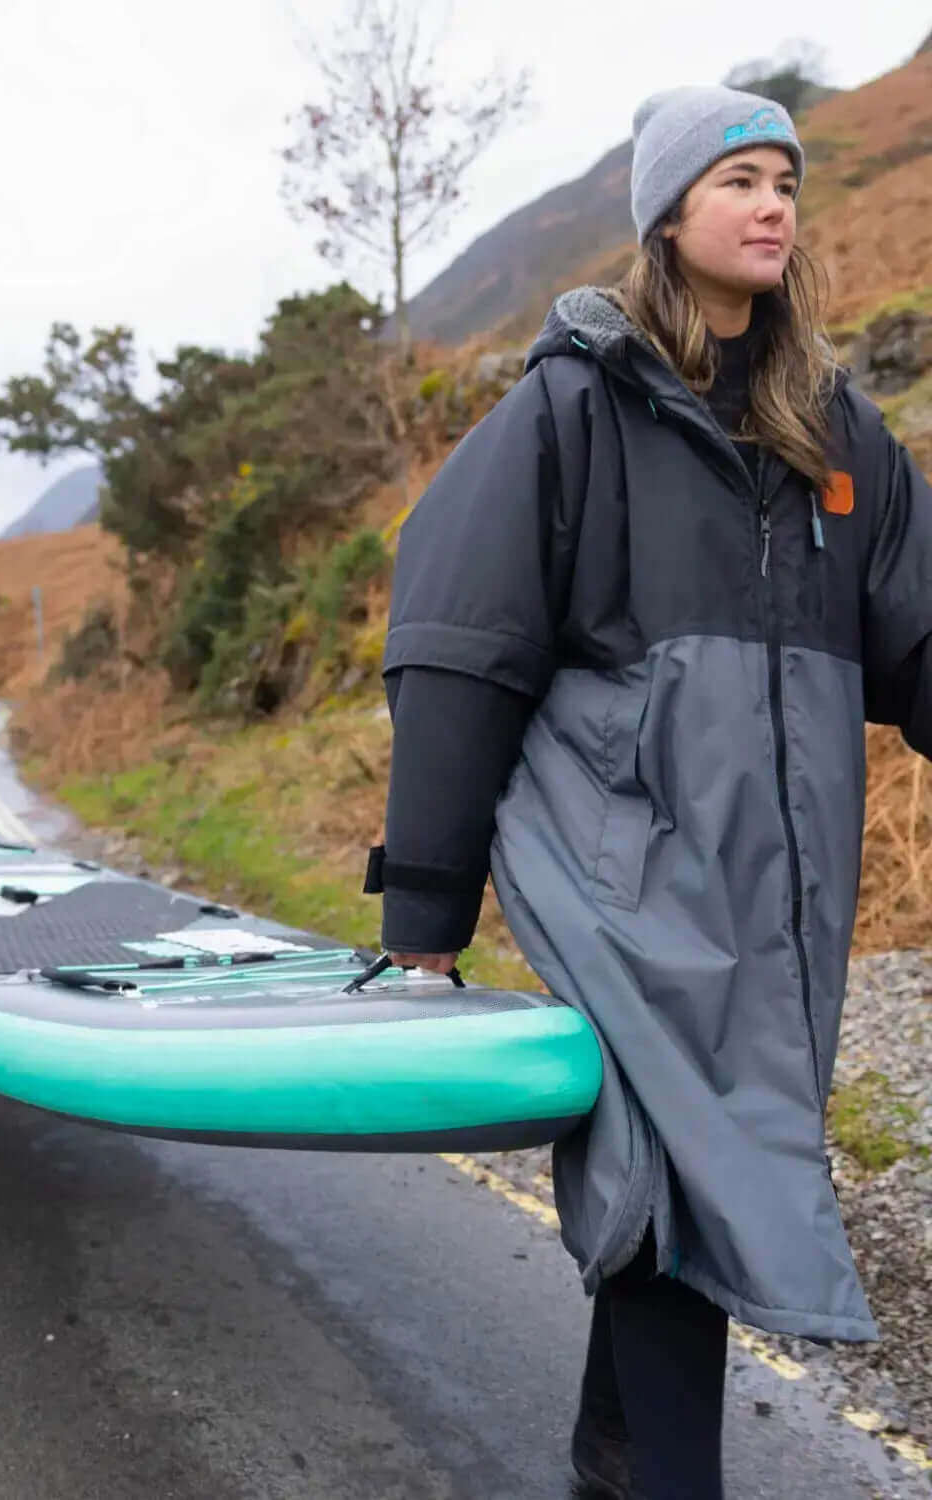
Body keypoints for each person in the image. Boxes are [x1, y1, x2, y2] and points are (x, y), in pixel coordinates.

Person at [367, 84, 932, 1498]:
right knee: (684, 1165)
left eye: (785, 183)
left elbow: (920, 641)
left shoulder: (836, 434)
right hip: (618, 874)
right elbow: (460, 653)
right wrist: (425, 918)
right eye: (738, 181)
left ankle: (614, 1454)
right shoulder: (573, 411)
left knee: (683, 1175)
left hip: (776, 899)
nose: (772, 206)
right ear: (668, 216)